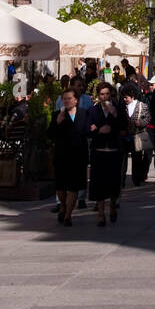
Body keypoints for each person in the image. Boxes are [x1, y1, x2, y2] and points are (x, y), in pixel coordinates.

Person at [49, 87, 91, 228]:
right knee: (60, 187)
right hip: (62, 155)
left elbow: (87, 131)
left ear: (76, 100)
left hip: (78, 155)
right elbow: (49, 134)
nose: (66, 101)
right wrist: (57, 123)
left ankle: (68, 215)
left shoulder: (84, 113)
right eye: (64, 99)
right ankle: (62, 205)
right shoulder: (57, 114)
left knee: (73, 187)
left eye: (69, 98)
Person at [88, 82, 127, 226]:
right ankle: (100, 214)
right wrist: (98, 130)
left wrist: (114, 114)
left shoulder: (118, 108)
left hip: (114, 150)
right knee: (99, 183)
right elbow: (88, 128)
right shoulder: (93, 110)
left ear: (111, 95)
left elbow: (123, 127)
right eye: (102, 94)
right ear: (98, 96)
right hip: (98, 151)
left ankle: (112, 207)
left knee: (113, 182)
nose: (105, 97)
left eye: (107, 94)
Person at [123, 86, 153, 187]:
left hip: (137, 135)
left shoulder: (142, 106)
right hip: (125, 136)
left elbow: (148, 118)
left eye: (126, 97)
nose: (124, 99)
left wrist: (141, 123)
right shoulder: (122, 106)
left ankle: (137, 179)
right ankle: (122, 179)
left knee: (137, 158)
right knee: (123, 159)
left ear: (132, 97)